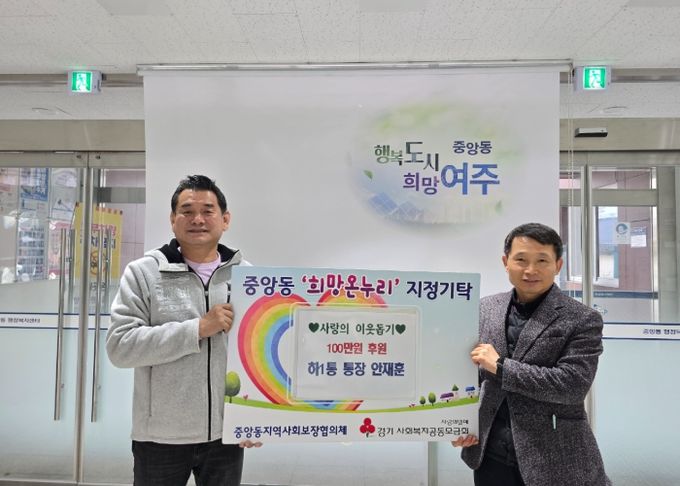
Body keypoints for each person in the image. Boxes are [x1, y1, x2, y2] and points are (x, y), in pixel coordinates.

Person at [106, 175, 260, 486]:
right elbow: (120, 347)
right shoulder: (144, 273)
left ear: (225, 219)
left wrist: (254, 419)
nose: (197, 219)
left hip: (225, 437)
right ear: (173, 219)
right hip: (160, 438)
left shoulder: (248, 277)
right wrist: (198, 329)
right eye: (187, 211)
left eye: (208, 211)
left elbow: (259, 355)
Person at [453, 223, 610, 486]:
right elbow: (472, 376)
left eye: (542, 261)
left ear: (558, 265)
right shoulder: (486, 308)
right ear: (506, 262)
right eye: (521, 260)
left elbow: (571, 386)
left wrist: (501, 366)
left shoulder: (582, 318)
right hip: (491, 454)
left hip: (554, 457)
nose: (530, 270)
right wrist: (460, 423)